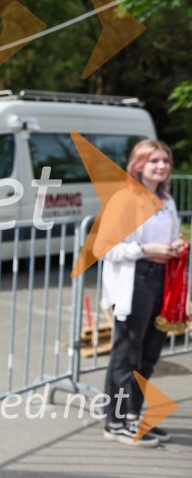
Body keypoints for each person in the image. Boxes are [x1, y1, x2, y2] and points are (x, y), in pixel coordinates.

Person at [99, 139, 183, 447]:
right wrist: (145, 249)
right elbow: (105, 247)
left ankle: (133, 415)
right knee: (127, 354)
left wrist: (176, 246)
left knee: (149, 354)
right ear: (138, 165)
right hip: (135, 281)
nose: (161, 166)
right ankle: (115, 420)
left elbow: (170, 237)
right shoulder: (125, 199)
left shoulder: (166, 200)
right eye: (153, 160)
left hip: (163, 280)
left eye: (165, 161)